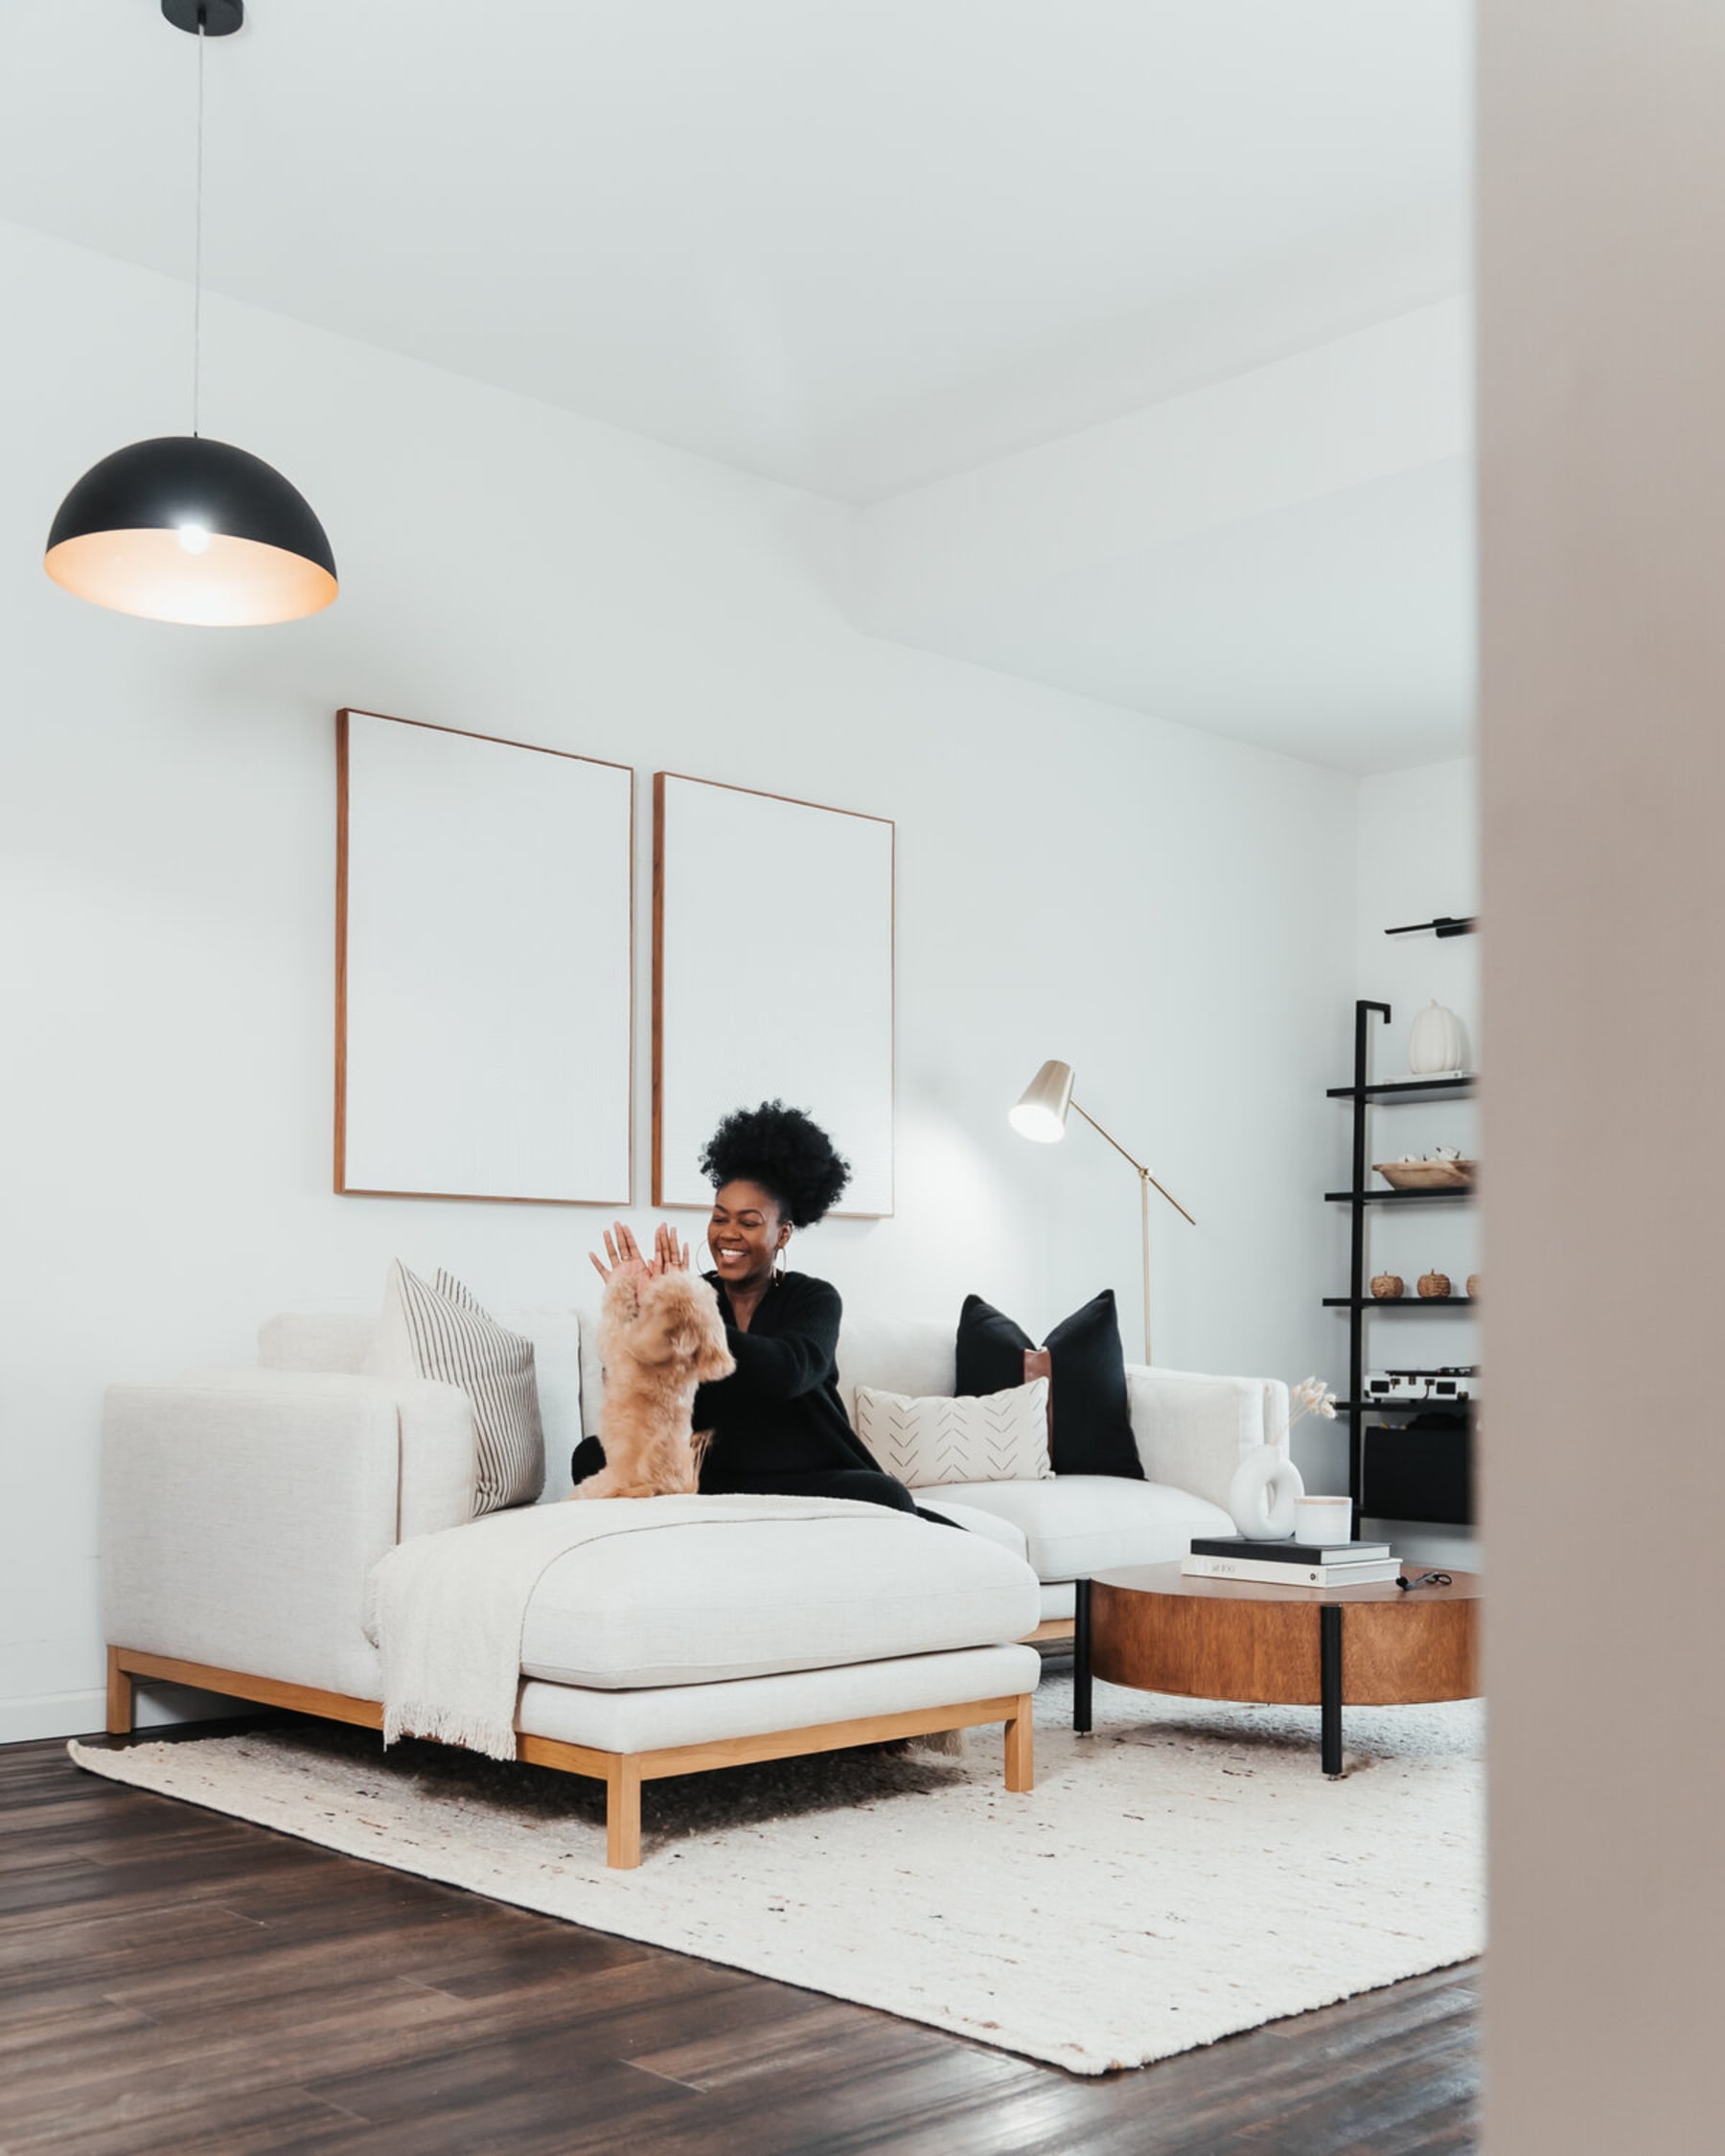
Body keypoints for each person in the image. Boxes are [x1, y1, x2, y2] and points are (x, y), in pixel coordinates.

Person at [570, 1100, 931, 1517]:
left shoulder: (813, 1297)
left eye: (749, 1221)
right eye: (720, 1218)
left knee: (889, 1497)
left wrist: (687, 1316)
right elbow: (643, 1391)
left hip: (801, 1473)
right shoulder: (692, 1295)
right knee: (590, 1457)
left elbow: (788, 1372)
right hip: (712, 1471)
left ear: (783, 1234)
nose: (729, 1234)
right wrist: (642, 1316)